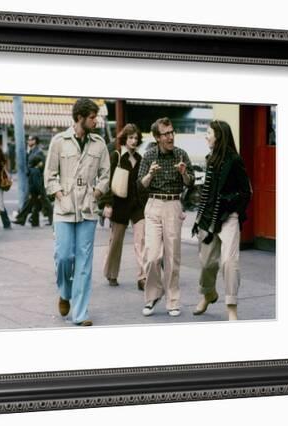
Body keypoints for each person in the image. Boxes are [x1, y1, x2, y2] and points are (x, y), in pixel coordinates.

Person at [44, 98, 110, 326]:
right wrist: (60, 196)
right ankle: (64, 293)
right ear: (80, 117)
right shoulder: (59, 142)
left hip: (88, 211)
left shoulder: (99, 144)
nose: (96, 120)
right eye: (92, 117)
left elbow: (105, 175)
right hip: (63, 210)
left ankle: (80, 314)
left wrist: (97, 194)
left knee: (84, 263)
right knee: (64, 257)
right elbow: (49, 176)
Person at [191, 120, 252, 321]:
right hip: (209, 218)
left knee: (229, 261)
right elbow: (207, 194)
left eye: (208, 133)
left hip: (229, 217)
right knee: (207, 262)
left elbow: (246, 192)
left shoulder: (235, 160)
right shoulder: (210, 159)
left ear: (219, 136)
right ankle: (208, 294)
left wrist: (233, 208)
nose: (206, 136)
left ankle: (231, 307)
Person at [137, 117, 194, 317]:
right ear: (157, 137)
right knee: (152, 256)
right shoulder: (149, 156)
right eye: (166, 134)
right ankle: (152, 296)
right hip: (153, 204)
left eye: (172, 132)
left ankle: (173, 301)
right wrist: (150, 175)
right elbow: (140, 185)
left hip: (173, 204)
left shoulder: (181, 155)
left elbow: (190, 182)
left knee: (172, 257)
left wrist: (184, 173)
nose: (170, 137)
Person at [99, 123, 148, 290]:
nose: (134, 141)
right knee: (116, 241)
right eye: (131, 138)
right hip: (119, 204)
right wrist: (107, 204)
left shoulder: (140, 159)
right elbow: (107, 180)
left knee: (141, 240)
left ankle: (143, 277)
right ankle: (111, 274)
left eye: (136, 138)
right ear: (124, 139)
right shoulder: (116, 155)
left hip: (137, 205)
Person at [13, 135, 53, 227]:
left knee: (42, 200)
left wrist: (34, 168)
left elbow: (40, 166)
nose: (28, 141)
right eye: (28, 140)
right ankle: (31, 220)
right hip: (34, 179)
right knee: (34, 201)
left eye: (30, 140)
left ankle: (22, 218)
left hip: (37, 179)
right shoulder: (31, 151)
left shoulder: (38, 152)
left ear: (35, 141)